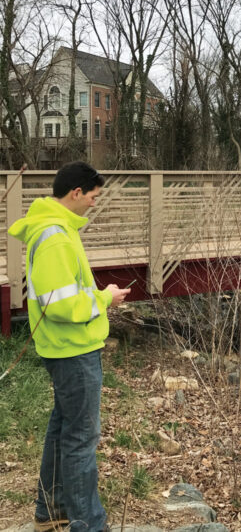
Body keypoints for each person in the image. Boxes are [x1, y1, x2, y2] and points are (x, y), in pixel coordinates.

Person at [8, 161, 131, 532]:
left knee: (64, 429)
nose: (95, 203)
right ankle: (88, 524)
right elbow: (58, 305)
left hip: (66, 347)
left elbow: (65, 291)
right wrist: (105, 300)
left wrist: (99, 294)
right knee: (81, 439)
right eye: (94, 196)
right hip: (72, 350)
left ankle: (52, 511)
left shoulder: (57, 229)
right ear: (76, 193)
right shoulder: (56, 237)